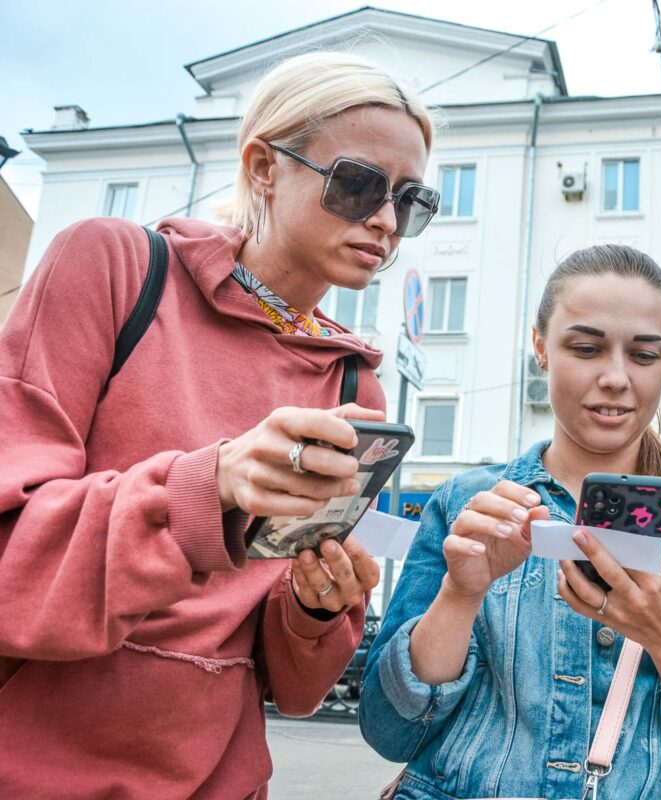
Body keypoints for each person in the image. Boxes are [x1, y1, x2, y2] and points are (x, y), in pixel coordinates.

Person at [0, 52, 438, 798]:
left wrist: (315, 606)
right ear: (263, 166)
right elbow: (14, 571)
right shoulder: (113, 266)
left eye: (412, 200)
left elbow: (293, 688)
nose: (385, 220)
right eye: (359, 183)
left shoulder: (355, 387)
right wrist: (211, 485)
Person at [358, 245, 661, 799]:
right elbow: (389, 729)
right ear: (541, 347)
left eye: (644, 355)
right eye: (586, 348)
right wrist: (460, 595)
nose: (615, 378)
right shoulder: (468, 504)